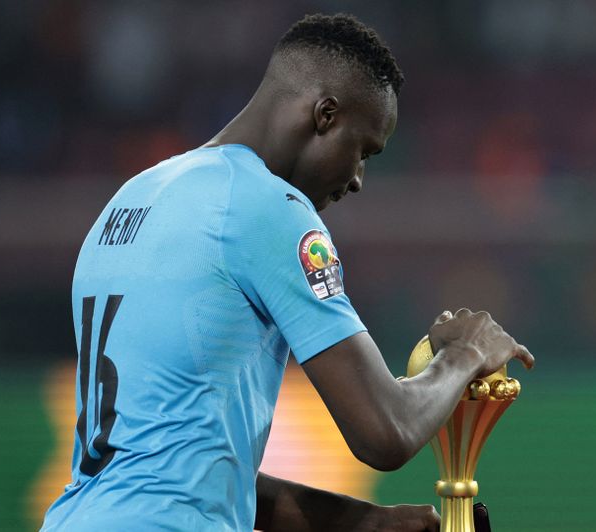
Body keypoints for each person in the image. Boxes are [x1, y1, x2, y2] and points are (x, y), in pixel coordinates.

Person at [41, 13, 534, 532]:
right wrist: (465, 354)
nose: (359, 179)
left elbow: (176, 474)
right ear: (325, 115)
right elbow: (385, 431)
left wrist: (365, 522)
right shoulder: (268, 208)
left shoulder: (130, 201)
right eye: (363, 150)